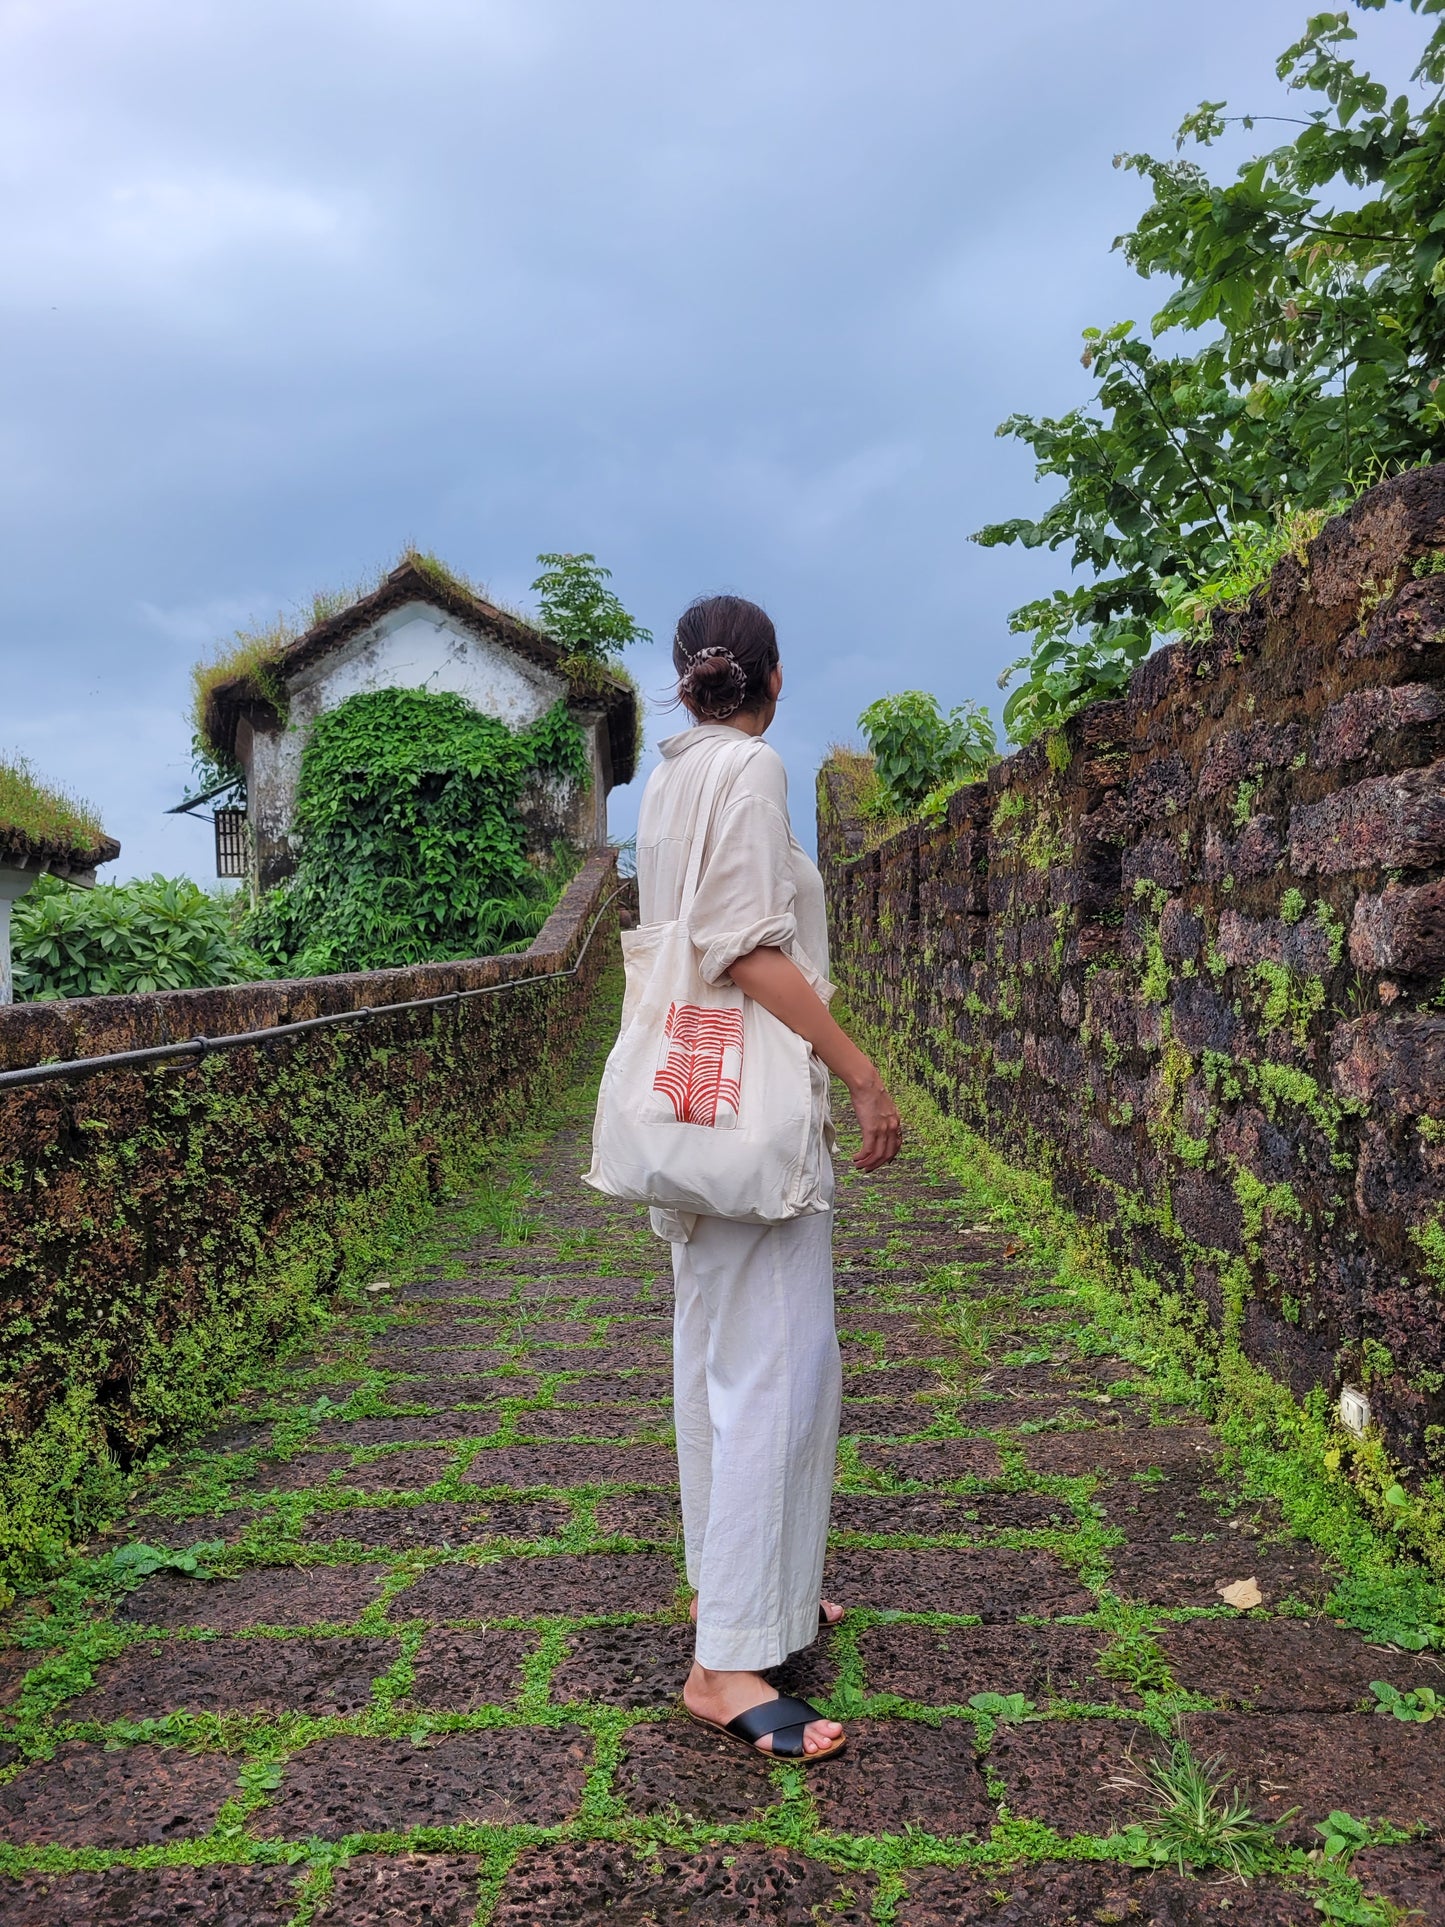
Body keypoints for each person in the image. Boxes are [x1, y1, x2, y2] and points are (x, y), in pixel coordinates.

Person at [634, 593, 903, 1763]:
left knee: (717, 1357)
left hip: (692, 1097)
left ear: (685, 680)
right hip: (751, 1105)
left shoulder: (669, 778)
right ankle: (721, 1666)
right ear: (774, 679)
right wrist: (860, 1073)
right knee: (780, 1370)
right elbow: (743, 945)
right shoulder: (749, 771)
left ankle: (745, 1600)